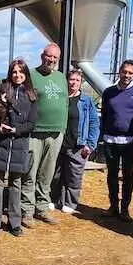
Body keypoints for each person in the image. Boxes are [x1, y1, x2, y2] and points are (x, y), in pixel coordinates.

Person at [0, 59, 38, 237]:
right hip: (0, 144)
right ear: (10, 73)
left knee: (16, 184)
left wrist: (16, 129)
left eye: (20, 72)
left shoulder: (31, 95)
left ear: (26, 74)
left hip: (19, 145)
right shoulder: (2, 89)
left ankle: (15, 222)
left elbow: (31, 124)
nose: (17, 75)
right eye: (14, 72)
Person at [21, 43, 68, 226]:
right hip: (35, 131)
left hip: (56, 132)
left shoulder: (61, 77)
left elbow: (64, 102)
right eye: (49, 56)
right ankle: (27, 210)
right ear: (42, 56)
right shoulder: (31, 75)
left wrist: (62, 127)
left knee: (47, 173)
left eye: (55, 58)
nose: (52, 60)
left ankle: (42, 207)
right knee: (30, 171)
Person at [100, 59, 133, 220]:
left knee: (128, 176)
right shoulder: (108, 92)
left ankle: (125, 209)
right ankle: (113, 206)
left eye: (130, 73)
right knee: (112, 176)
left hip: (131, 143)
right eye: (124, 72)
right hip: (111, 141)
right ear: (119, 72)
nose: (127, 75)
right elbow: (105, 115)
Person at [55, 68, 99, 214]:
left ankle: (70, 203)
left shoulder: (86, 101)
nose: (74, 83)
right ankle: (54, 199)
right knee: (55, 174)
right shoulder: (59, 97)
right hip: (58, 143)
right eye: (71, 79)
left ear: (81, 83)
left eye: (77, 80)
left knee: (74, 176)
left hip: (77, 145)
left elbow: (94, 123)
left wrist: (90, 144)